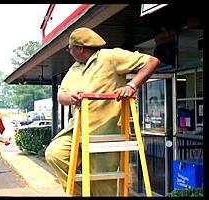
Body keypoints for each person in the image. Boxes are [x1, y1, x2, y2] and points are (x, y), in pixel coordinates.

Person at [45, 27, 160, 196]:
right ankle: (82, 193)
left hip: (106, 130)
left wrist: (131, 85)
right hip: (76, 129)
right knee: (55, 154)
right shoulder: (74, 68)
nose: (69, 52)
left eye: (70, 48)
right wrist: (71, 98)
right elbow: (61, 95)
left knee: (104, 181)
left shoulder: (110, 56)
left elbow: (152, 61)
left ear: (80, 48)